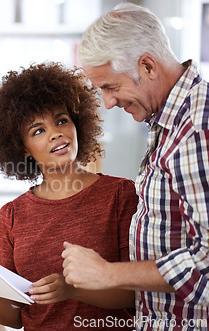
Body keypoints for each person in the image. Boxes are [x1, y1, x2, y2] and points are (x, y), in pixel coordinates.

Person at [0, 62, 138, 330]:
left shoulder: (120, 195)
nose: (56, 133)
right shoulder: (11, 217)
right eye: (38, 130)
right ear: (24, 149)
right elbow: (16, 317)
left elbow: (136, 293)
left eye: (62, 120)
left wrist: (73, 290)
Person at [61, 3, 209, 330]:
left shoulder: (196, 133)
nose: (108, 103)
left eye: (111, 87)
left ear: (147, 66)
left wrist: (107, 273)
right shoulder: (168, 122)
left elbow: (206, 264)